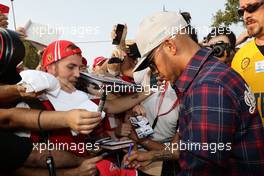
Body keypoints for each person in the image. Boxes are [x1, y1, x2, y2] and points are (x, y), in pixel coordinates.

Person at [123, 11, 264, 175]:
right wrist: (154, 155)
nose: (154, 72)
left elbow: (202, 169)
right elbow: (195, 148)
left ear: (170, 46)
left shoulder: (207, 87)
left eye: (152, 63)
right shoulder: (208, 76)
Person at [232, 0, 264, 124]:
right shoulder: (240, 57)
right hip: (254, 140)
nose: (246, 16)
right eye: (242, 11)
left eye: (251, 8)